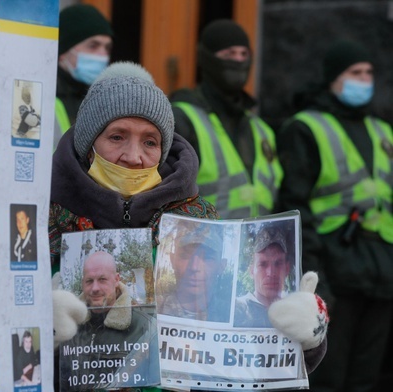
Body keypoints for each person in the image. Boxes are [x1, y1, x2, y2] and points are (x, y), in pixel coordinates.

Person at [49, 61, 327, 390]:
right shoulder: (42, 221)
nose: (134, 156)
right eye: (117, 136)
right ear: (87, 145)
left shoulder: (199, 221)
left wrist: (307, 336)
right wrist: (38, 330)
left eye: (150, 142)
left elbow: (252, 356)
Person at [276, 39, 393, 392]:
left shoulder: (383, 131)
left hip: (381, 273)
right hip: (335, 273)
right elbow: (296, 207)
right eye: (354, 72)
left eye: (369, 72)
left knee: (368, 379)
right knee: (327, 377)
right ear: (333, 78)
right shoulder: (305, 128)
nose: (364, 79)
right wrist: (315, 278)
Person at [170, 19, 282, 219]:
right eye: (229, 54)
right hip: (203, 246)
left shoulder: (261, 128)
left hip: (258, 245)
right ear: (207, 58)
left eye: (243, 54)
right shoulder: (183, 118)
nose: (238, 60)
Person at [59, 251, 159, 389]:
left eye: (102, 279)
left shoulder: (145, 327)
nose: (95, 288)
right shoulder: (68, 327)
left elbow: (156, 386)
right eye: (89, 281)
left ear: (117, 279)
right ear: (82, 282)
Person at [53, 4, 114, 148]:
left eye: (107, 47)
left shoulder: (106, 99)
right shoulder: (43, 95)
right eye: (93, 46)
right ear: (63, 52)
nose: (102, 55)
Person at [157, 223, 232, 322]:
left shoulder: (236, 315)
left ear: (222, 266)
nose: (194, 267)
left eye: (207, 257)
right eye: (185, 256)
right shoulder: (155, 309)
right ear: (172, 260)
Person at [234, 227, 292, 328]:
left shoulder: (296, 311)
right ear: (251, 271)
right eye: (263, 264)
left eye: (278, 263)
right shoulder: (236, 309)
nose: (271, 273)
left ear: (287, 269)